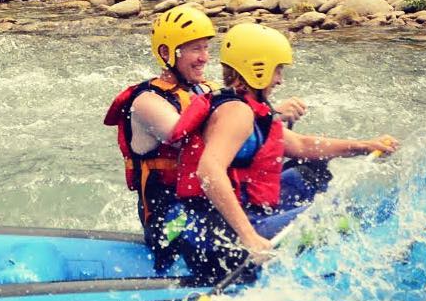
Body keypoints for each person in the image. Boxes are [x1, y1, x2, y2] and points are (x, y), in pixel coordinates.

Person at [165, 22, 399, 283]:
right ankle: (384, 253)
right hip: (216, 239)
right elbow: (208, 171)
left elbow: (301, 145)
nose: (279, 79)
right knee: (340, 214)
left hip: (225, 222)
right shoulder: (237, 113)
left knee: (309, 173)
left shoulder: (245, 106)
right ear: (258, 68)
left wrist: (365, 146)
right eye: (277, 69)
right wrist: (249, 237)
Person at [105, 5, 309, 271]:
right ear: (167, 53)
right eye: (195, 49)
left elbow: (262, 134)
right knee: (308, 215)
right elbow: (190, 133)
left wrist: (268, 115)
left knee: (305, 175)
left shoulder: (208, 91)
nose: (204, 58)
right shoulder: (147, 102)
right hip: (171, 223)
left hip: (210, 206)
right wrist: (271, 113)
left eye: (206, 48)